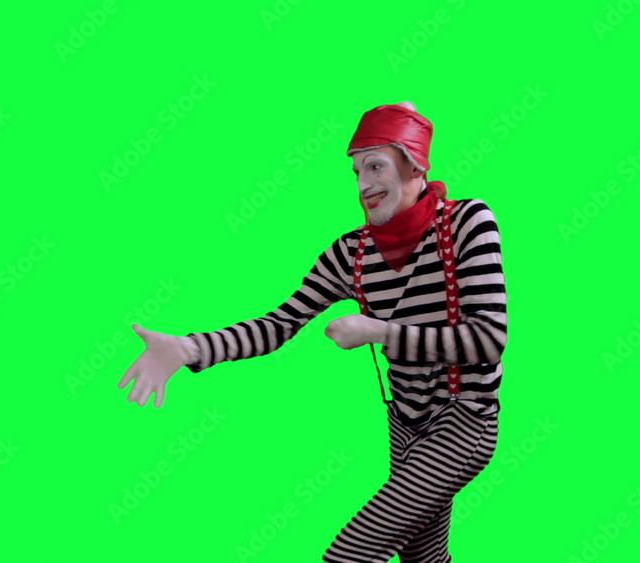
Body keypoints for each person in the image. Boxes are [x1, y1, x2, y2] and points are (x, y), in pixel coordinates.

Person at [118, 102, 507, 562]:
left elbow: (488, 339)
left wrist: (380, 331)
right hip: (404, 426)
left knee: (349, 555)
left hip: (463, 421)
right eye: (356, 171)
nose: (363, 185)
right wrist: (190, 348)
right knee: (423, 559)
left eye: (376, 166)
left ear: (415, 164)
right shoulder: (351, 253)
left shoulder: (466, 224)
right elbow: (279, 324)